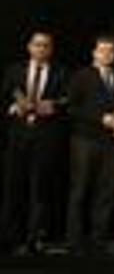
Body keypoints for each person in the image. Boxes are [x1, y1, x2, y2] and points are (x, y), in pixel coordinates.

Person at [0, 31, 69, 254]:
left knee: (40, 190)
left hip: (46, 137)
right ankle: (11, 238)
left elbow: (68, 102)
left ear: (51, 49)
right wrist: (12, 108)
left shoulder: (61, 72)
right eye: (37, 45)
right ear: (29, 47)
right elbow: (4, 98)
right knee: (14, 187)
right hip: (18, 136)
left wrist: (54, 107)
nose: (41, 49)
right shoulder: (14, 71)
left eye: (46, 45)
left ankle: (35, 238)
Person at [66, 34, 114, 254]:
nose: (106, 54)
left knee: (106, 192)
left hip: (111, 143)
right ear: (94, 53)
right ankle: (75, 241)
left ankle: (98, 240)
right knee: (81, 190)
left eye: (110, 50)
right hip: (85, 141)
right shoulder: (82, 76)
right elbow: (72, 108)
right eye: (102, 50)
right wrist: (100, 118)